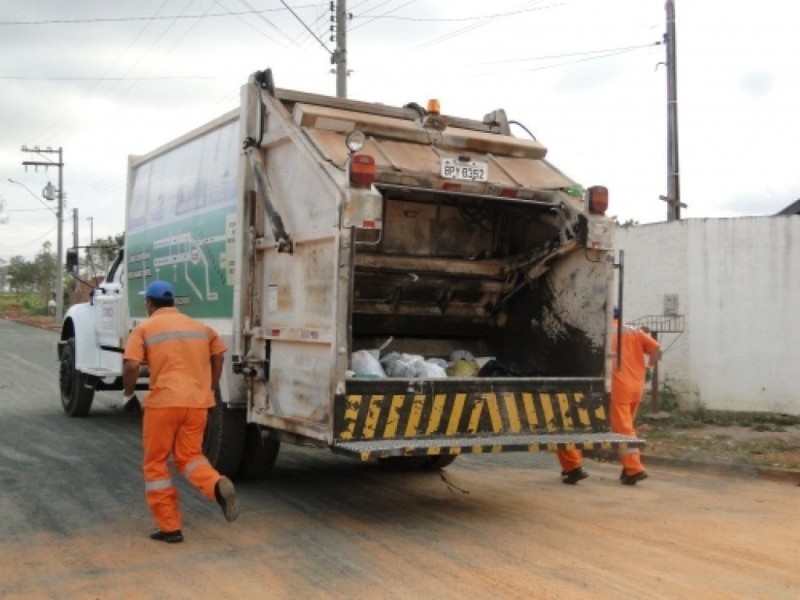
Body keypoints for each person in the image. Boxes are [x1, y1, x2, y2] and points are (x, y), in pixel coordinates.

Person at [122, 280, 239, 543]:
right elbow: (219, 354)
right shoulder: (199, 327)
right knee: (190, 457)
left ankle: (170, 527)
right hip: (197, 404)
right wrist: (209, 385)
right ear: (172, 302)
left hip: (163, 404)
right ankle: (216, 485)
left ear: (149, 304)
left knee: (156, 463)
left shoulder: (144, 327)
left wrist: (129, 391)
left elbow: (131, 365)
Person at [611, 307, 660, 485]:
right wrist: (648, 367)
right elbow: (655, 349)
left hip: (618, 389)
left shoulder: (605, 333)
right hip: (636, 387)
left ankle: (634, 469)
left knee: (624, 432)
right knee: (628, 428)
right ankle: (628, 469)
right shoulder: (634, 330)